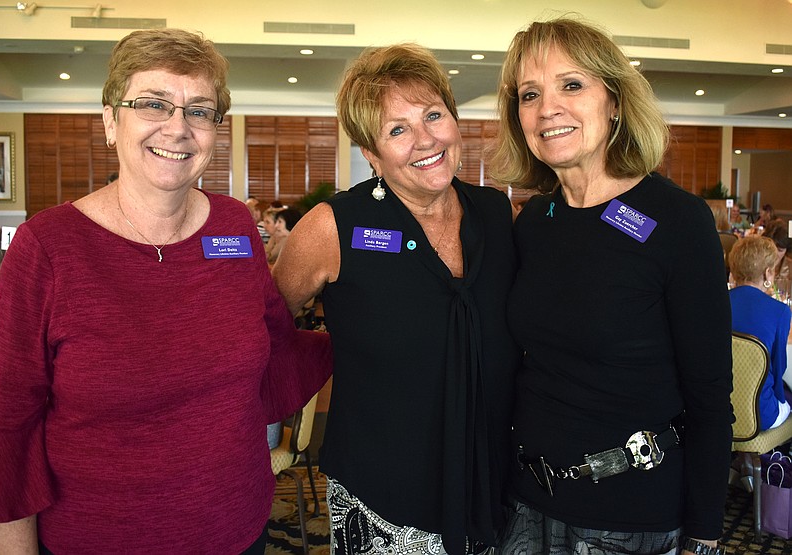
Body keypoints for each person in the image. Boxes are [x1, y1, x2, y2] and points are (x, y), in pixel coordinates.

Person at [0, 28, 331, 555]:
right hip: (99, 538)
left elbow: (275, 346)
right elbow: (10, 426)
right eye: (153, 104)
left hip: (239, 530)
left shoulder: (233, 226)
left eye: (199, 110)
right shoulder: (49, 247)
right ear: (110, 120)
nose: (178, 128)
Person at [490, 18, 732, 555]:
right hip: (525, 505)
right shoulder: (534, 221)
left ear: (615, 102)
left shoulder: (678, 222)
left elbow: (711, 396)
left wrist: (706, 535)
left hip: (629, 512)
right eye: (530, 94)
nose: (548, 107)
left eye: (571, 85)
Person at [273, 43, 520, 555]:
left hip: (492, 475)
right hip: (383, 491)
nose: (425, 139)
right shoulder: (333, 227)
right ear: (371, 154)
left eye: (433, 115)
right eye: (397, 129)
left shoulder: (499, 215)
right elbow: (266, 326)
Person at [728, 236, 792, 430]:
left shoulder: (714, 305)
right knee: (787, 401)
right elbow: (779, 367)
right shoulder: (780, 311)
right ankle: (774, 459)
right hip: (759, 414)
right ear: (768, 274)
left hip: (717, 409)